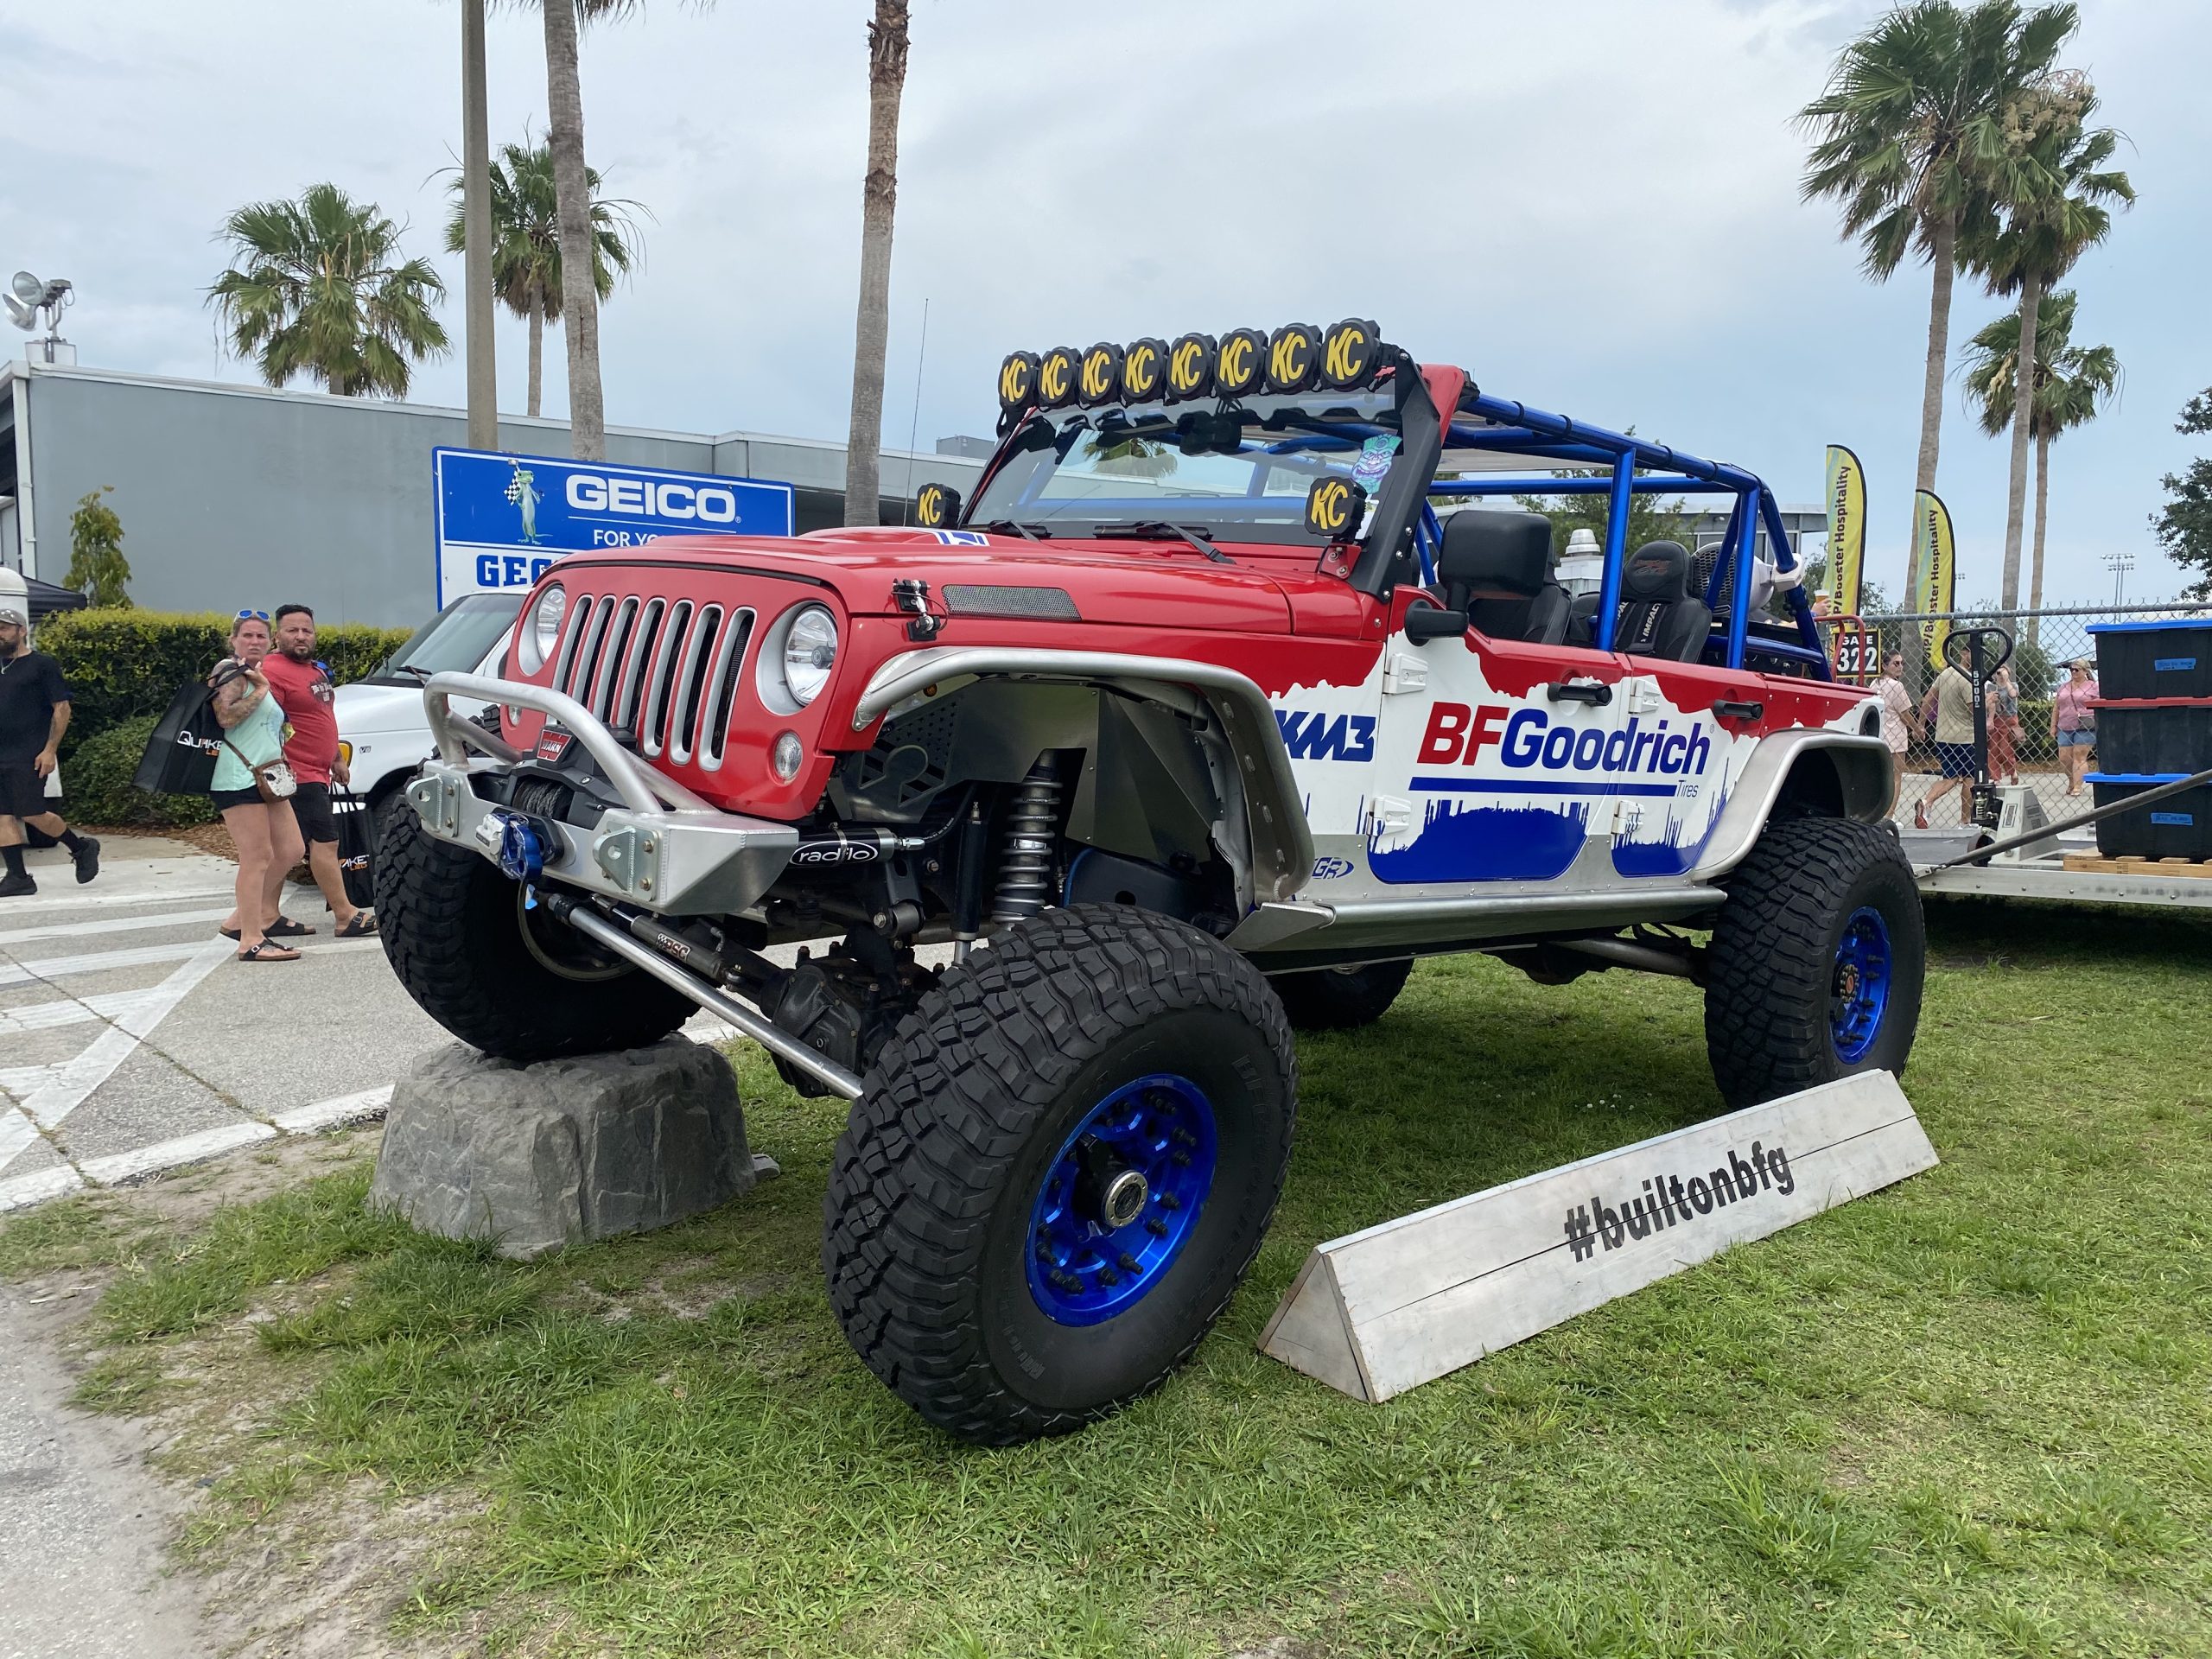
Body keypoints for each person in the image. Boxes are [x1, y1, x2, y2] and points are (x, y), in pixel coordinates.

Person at [262, 605, 375, 937]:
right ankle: (345, 915)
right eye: (292, 630)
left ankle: (267, 915)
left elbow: (322, 718)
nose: (300, 636)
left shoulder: (314, 671)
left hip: (319, 771)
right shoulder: (272, 671)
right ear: (276, 636)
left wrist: (335, 758)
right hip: (296, 776)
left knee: (284, 849)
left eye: (306, 630)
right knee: (325, 842)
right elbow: (268, 724)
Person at [209, 611, 304, 963]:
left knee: (292, 848)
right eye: (247, 636)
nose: (254, 642)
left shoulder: (256, 672)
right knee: (257, 856)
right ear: (233, 640)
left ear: (270, 641)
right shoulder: (230, 671)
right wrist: (261, 688)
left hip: (268, 776)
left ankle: (241, 919)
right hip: (237, 777)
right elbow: (226, 716)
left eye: (261, 637)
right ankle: (250, 938)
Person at [0, 606, 99, 897]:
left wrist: (50, 750)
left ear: (22, 631)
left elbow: (62, 707)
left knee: (31, 813)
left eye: (5, 628)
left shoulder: (42, 665)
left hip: (29, 753)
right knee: (2, 815)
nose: (0, 633)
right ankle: (18, 877)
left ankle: (81, 847)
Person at [1914, 655, 1977, 829]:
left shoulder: (1945, 675)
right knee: (1969, 778)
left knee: (1950, 777)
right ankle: (1965, 820)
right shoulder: (1967, 679)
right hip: (1966, 737)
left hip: (1943, 736)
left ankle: (1927, 801)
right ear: (1965, 655)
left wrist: (1920, 724)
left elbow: (1928, 699)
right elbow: (1973, 708)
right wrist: (1988, 702)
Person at [1869, 650, 1920, 803]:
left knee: (1880, 776)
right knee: (1896, 777)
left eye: (1902, 663)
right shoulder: (1897, 686)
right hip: (1896, 734)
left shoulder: (1874, 684)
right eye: (1896, 663)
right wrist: (1917, 729)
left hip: (1880, 733)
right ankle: (1890, 813)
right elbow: (1905, 714)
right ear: (1884, 665)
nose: (1900, 667)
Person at [2052, 658, 2100, 797]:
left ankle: (2078, 786)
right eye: (2071, 669)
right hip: (2065, 725)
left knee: (2079, 755)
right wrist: (2053, 726)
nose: (2073, 672)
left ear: (2085, 671)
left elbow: (2100, 704)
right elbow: (2057, 706)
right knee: (2064, 757)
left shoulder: (2093, 687)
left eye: (2077, 669)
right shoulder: (2064, 687)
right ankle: (2072, 780)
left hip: (2085, 724)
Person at [1987, 664, 2021, 786]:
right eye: (1998, 672)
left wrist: (2006, 680)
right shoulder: (1991, 687)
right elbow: (1990, 703)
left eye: (2003, 672)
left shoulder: (2013, 685)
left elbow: (2013, 695)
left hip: (2009, 719)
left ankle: (2012, 772)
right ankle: (1996, 778)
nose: (2000, 675)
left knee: (2006, 749)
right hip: (1996, 719)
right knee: (1994, 749)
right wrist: (1990, 720)